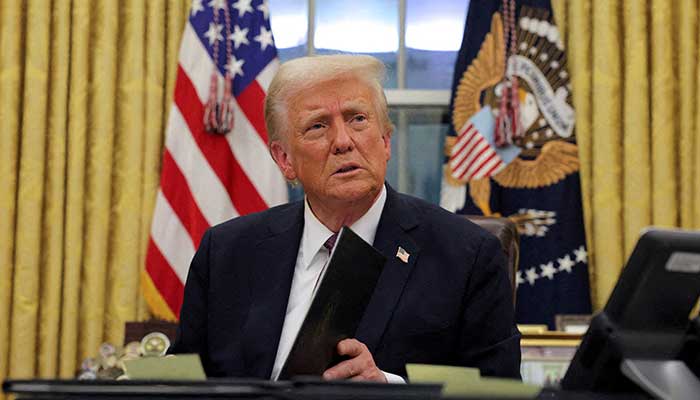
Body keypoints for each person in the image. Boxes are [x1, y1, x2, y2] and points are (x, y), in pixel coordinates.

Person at [170, 55, 521, 382]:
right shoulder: (228, 253)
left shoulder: (467, 256)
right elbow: (182, 380)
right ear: (284, 159)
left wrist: (389, 388)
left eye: (357, 119)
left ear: (385, 141)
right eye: (318, 126)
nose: (342, 141)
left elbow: (494, 388)